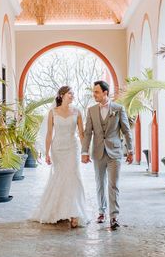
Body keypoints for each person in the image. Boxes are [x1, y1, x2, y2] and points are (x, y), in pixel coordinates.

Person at [30, 86, 89, 228]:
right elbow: (49, 134)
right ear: (62, 95)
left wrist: (85, 151)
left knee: (73, 177)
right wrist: (47, 152)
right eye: (70, 93)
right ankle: (58, 211)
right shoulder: (52, 112)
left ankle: (74, 213)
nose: (73, 96)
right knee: (60, 177)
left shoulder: (77, 112)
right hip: (58, 148)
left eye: (73, 94)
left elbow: (81, 134)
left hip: (72, 148)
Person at [81, 80, 133, 230]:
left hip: (115, 152)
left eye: (96, 92)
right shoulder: (91, 110)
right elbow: (88, 133)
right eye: (93, 92)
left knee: (113, 184)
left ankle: (114, 216)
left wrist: (130, 150)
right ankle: (101, 211)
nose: (94, 94)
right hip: (98, 152)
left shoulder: (118, 108)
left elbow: (126, 131)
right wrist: (84, 152)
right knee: (99, 183)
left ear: (105, 93)